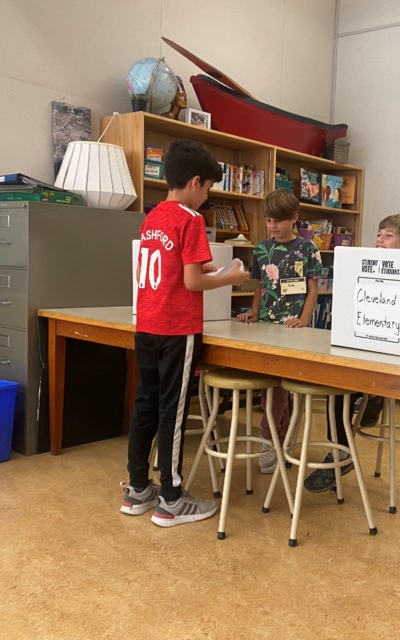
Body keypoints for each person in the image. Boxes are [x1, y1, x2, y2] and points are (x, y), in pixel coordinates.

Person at [121, 139, 249, 528]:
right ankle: (172, 498)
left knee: (145, 404)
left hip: (147, 325)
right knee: (173, 411)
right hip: (178, 329)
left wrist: (206, 271)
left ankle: (138, 488)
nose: (207, 196)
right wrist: (230, 277)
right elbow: (192, 283)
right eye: (209, 188)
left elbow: (175, 268)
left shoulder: (153, 216)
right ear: (196, 182)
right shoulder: (191, 220)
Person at [303, 213, 400, 493]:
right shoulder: (364, 267)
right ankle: (341, 453)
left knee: (348, 388)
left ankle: (372, 400)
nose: (379, 239)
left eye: (388, 235)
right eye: (378, 233)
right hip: (363, 349)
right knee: (335, 390)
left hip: (396, 357)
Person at [235, 189, 325, 473]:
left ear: (294, 219)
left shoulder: (308, 249)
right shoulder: (261, 249)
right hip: (265, 327)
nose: (272, 226)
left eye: (278, 221)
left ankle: (268, 438)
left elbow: (314, 290)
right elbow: (260, 287)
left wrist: (304, 319)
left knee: (278, 390)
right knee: (271, 388)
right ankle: (277, 441)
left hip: (293, 328)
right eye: (268, 220)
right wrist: (253, 311)